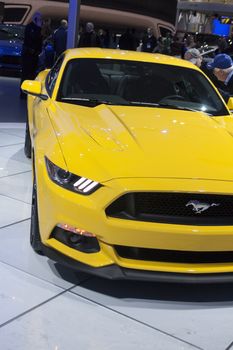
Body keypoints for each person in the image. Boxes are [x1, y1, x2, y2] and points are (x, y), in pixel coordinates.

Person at [20, 12, 43, 98]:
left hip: (34, 56)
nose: (41, 21)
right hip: (28, 55)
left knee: (32, 74)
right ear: (35, 19)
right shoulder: (30, 27)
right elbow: (32, 38)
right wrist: (38, 28)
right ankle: (23, 93)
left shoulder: (38, 28)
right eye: (39, 19)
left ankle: (29, 93)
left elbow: (39, 41)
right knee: (26, 74)